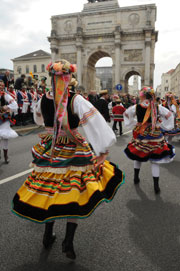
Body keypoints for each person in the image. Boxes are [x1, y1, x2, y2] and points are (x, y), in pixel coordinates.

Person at [12, 60, 125, 260]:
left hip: (50, 149)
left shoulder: (43, 99)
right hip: (72, 149)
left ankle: (48, 235)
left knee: (50, 191)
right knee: (73, 193)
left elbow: (38, 118)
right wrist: (102, 149)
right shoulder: (75, 100)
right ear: (68, 78)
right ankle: (68, 242)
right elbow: (95, 123)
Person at [123, 86, 175, 194]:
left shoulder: (136, 106)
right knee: (155, 160)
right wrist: (163, 126)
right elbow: (170, 116)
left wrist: (134, 123)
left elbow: (127, 114)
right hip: (154, 134)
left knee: (138, 155)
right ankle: (156, 186)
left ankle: (136, 178)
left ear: (142, 95)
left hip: (140, 133)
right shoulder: (157, 107)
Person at [0, 80, 18, 163]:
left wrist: (6, 107)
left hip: (3, 119)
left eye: (2, 85)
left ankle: (5, 156)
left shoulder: (5, 95)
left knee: (5, 137)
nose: (1, 87)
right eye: (0, 85)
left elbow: (15, 105)